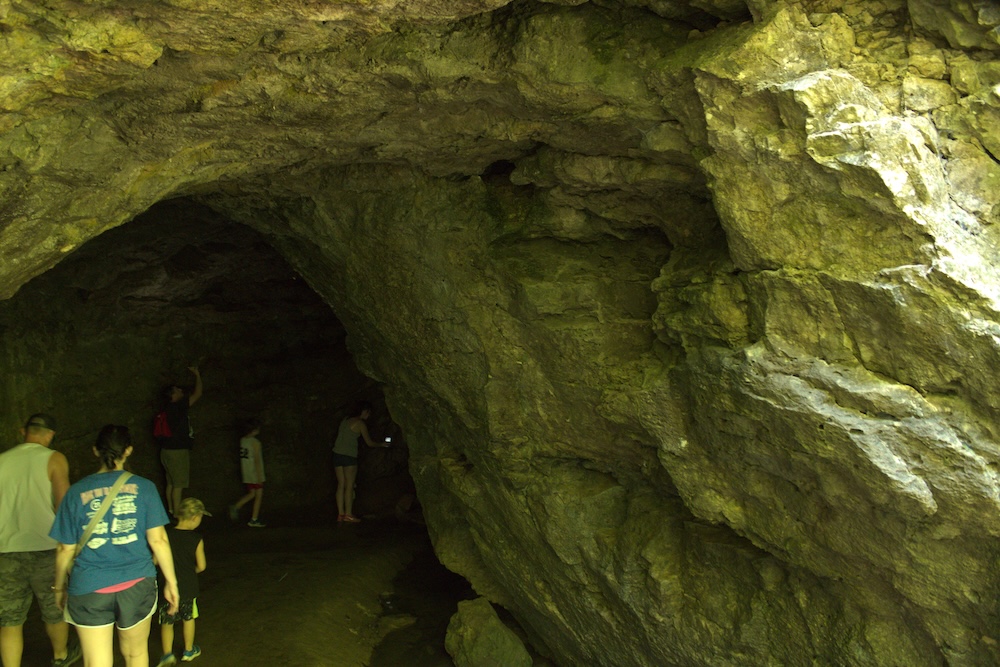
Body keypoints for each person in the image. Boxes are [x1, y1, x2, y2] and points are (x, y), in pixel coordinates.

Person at [50, 425, 179, 667]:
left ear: (95, 452)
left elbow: (64, 549)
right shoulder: (145, 488)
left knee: (96, 662)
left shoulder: (75, 493)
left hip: (89, 587)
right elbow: (158, 540)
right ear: (128, 451)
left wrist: (59, 588)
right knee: (136, 654)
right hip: (137, 584)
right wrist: (171, 582)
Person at [0, 413, 81, 667]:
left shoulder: (1, 461)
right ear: (50, 435)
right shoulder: (54, 459)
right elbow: (63, 506)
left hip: (6, 551)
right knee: (54, 611)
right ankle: (60, 657)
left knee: (10, 621)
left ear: (24, 431)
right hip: (46, 549)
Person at [155, 498, 208, 666]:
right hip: (188, 587)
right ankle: (188, 650)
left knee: (167, 621)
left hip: (167, 588)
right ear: (195, 517)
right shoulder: (196, 539)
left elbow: (155, 561)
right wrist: (190, 572)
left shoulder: (165, 535)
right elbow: (202, 566)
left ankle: (167, 654)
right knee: (188, 618)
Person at [332, 401, 389, 523]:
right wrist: (382, 444)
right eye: (368, 413)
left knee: (341, 484)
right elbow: (369, 442)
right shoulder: (360, 423)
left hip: (337, 455)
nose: (368, 416)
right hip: (349, 456)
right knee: (349, 485)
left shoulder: (345, 420)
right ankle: (348, 514)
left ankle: (340, 514)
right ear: (364, 411)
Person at [159, 366, 203, 516]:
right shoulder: (178, 407)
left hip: (165, 451)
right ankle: (178, 516)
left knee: (170, 483)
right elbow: (198, 394)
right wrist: (197, 375)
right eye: (177, 390)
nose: (180, 390)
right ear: (173, 395)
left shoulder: (165, 409)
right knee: (178, 485)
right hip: (177, 451)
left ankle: (171, 510)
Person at [228, 420, 266, 528]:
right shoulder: (255, 443)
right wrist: (259, 476)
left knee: (252, 493)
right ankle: (254, 519)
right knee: (258, 495)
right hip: (255, 473)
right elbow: (257, 461)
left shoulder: (243, 440)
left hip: (247, 473)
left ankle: (236, 506)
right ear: (253, 430)